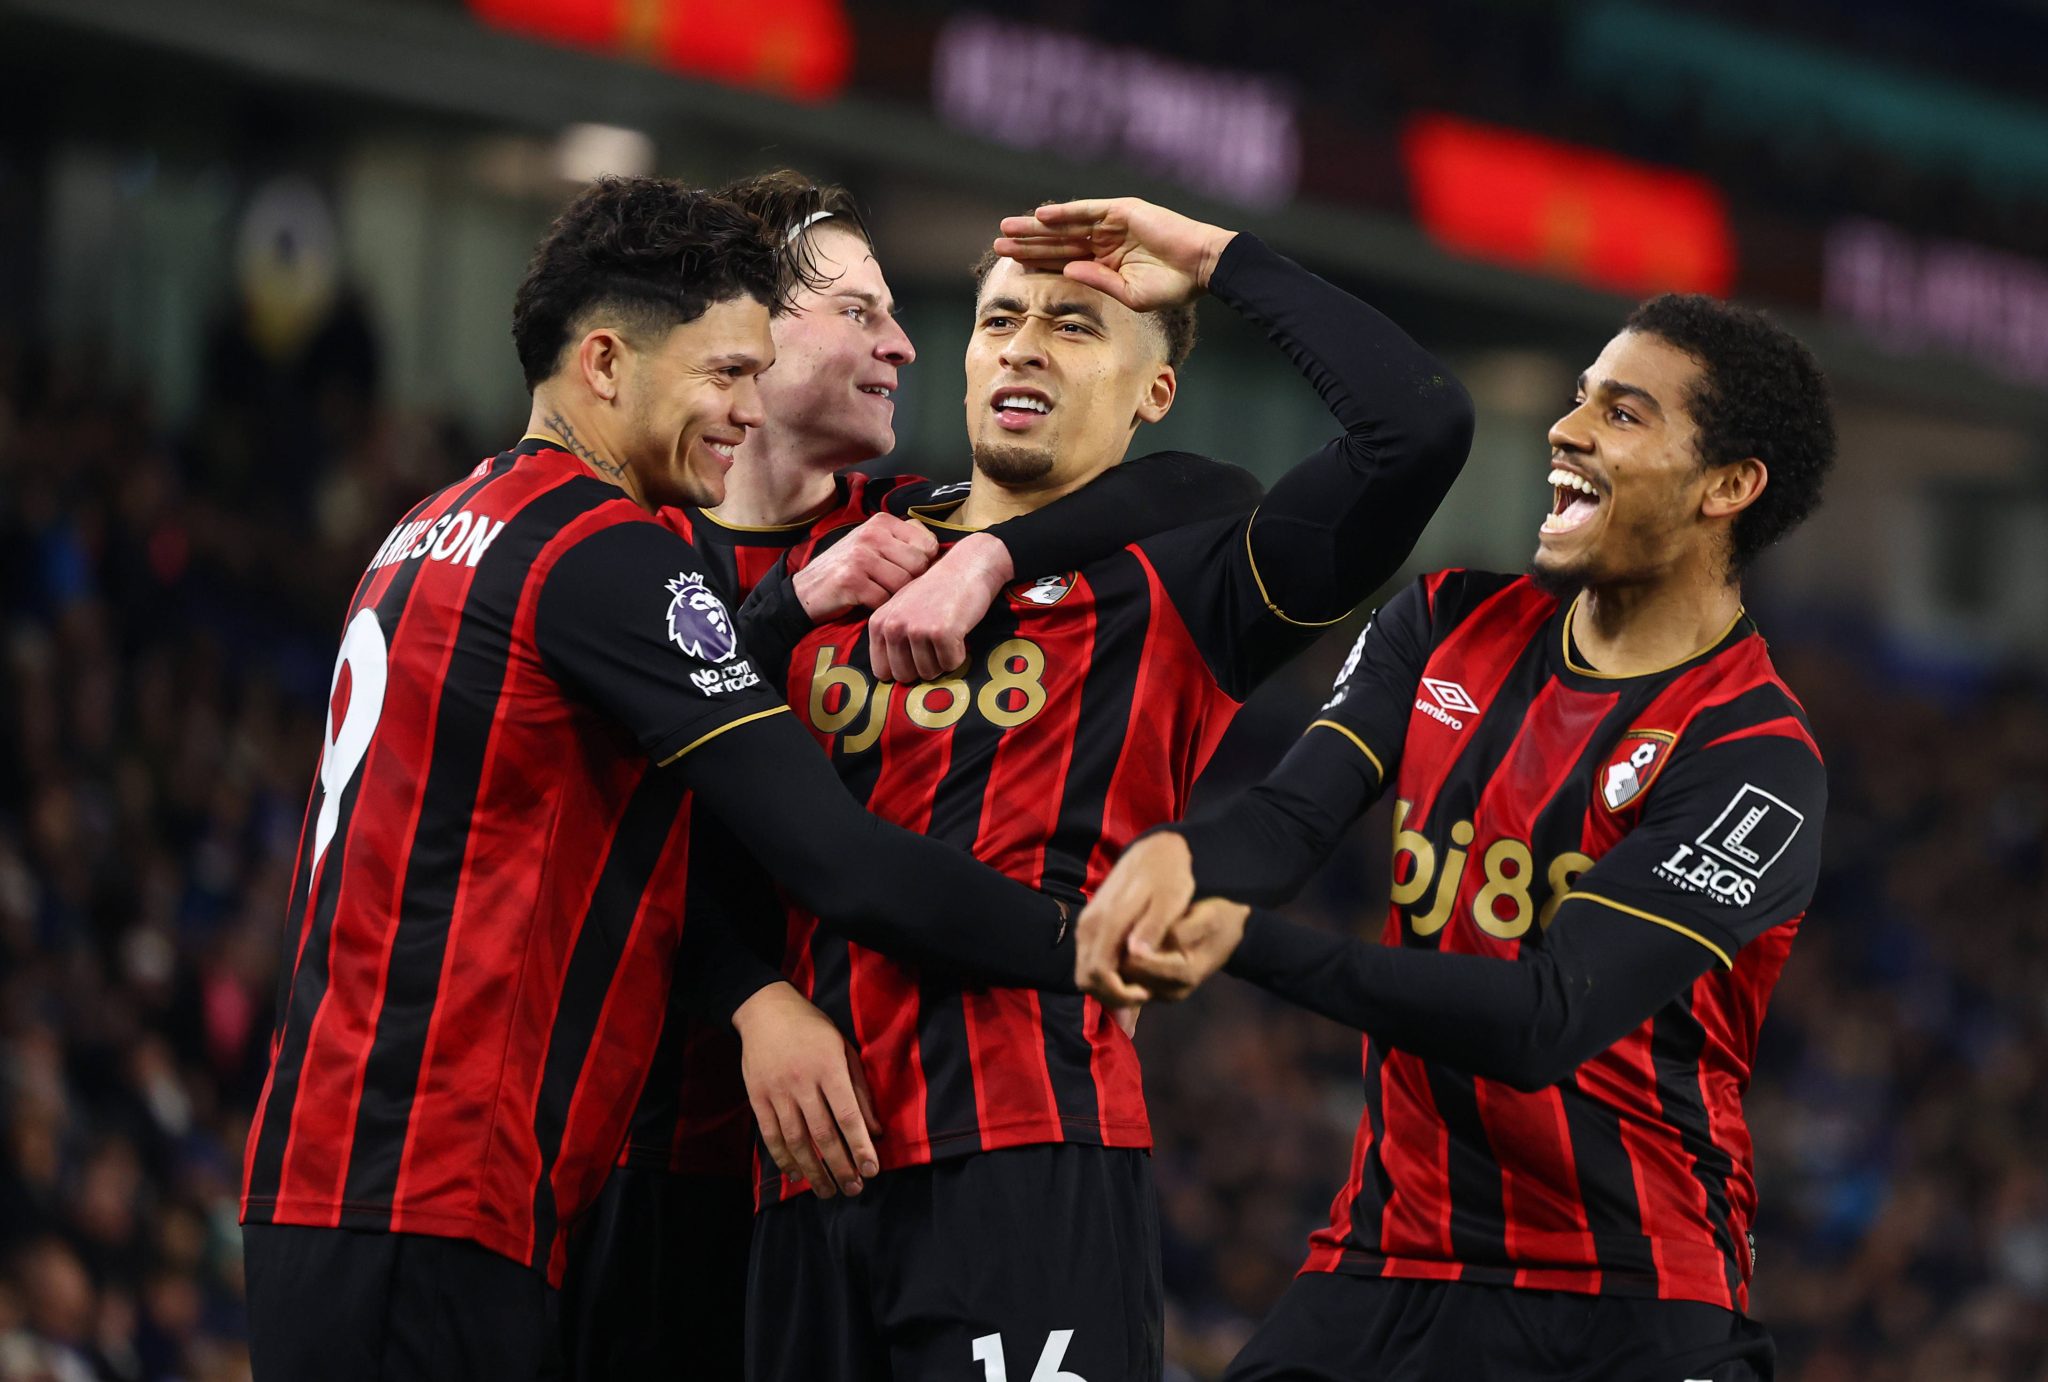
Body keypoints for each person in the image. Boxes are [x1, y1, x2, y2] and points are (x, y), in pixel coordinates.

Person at [236, 175, 1101, 1382]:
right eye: (722, 376)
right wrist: (1078, 938)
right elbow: (836, 858)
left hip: (337, 1175)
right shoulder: (607, 554)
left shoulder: (427, 525)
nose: (743, 412)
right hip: (437, 1193)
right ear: (603, 363)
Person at [731, 196, 1474, 1381]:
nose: (1022, 343)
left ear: (1152, 394)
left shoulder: (1189, 576)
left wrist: (1219, 260)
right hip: (794, 1174)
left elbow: (1414, 429)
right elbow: (686, 784)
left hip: (1028, 1157)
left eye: (1074, 326)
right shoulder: (844, 549)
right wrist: (751, 993)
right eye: (999, 319)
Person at [564, 171, 1258, 1382]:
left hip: (852, 1158)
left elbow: (1201, 490)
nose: (903, 342)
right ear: (750, 334)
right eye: (858, 310)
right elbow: (628, 834)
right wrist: (751, 997)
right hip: (630, 1152)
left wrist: (990, 551)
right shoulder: (623, 554)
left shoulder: (901, 535)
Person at [1076, 294, 1838, 1380]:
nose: (1564, 430)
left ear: (1728, 485)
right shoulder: (1442, 622)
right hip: (1385, 1253)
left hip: (1622, 1296)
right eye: (1576, 399)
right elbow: (1290, 817)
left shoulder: (1752, 756)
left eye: (1619, 415)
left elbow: (1544, 1017)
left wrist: (1235, 937)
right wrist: (1181, 862)